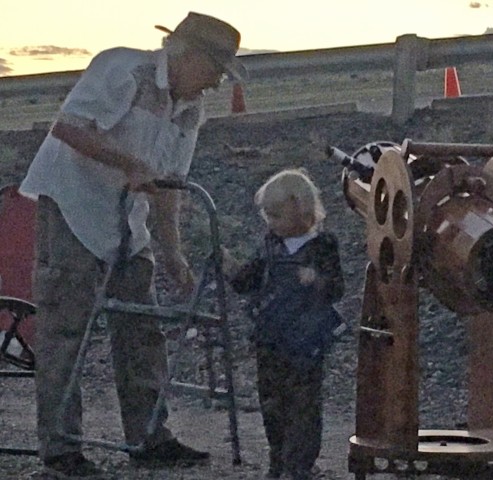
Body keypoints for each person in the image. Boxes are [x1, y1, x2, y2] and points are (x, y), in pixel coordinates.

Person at [18, 11, 247, 479]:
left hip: (127, 223)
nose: (216, 83)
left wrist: (172, 253)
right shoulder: (122, 69)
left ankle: (149, 437)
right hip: (73, 206)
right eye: (215, 69)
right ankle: (61, 449)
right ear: (185, 54)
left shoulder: (189, 109)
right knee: (66, 330)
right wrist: (130, 164)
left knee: (143, 329)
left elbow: (168, 185)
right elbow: (66, 127)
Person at [223, 169, 345, 480]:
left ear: (301, 208)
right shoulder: (270, 247)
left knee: (303, 407)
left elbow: (336, 289)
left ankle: (299, 465)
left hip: (306, 343)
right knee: (272, 405)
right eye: (268, 216)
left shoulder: (322, 246)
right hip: (270, 340)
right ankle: (278, 459)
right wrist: (230, 267)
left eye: (277, 215)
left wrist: (317, 279)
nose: (271, 223)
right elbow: (247, 281)